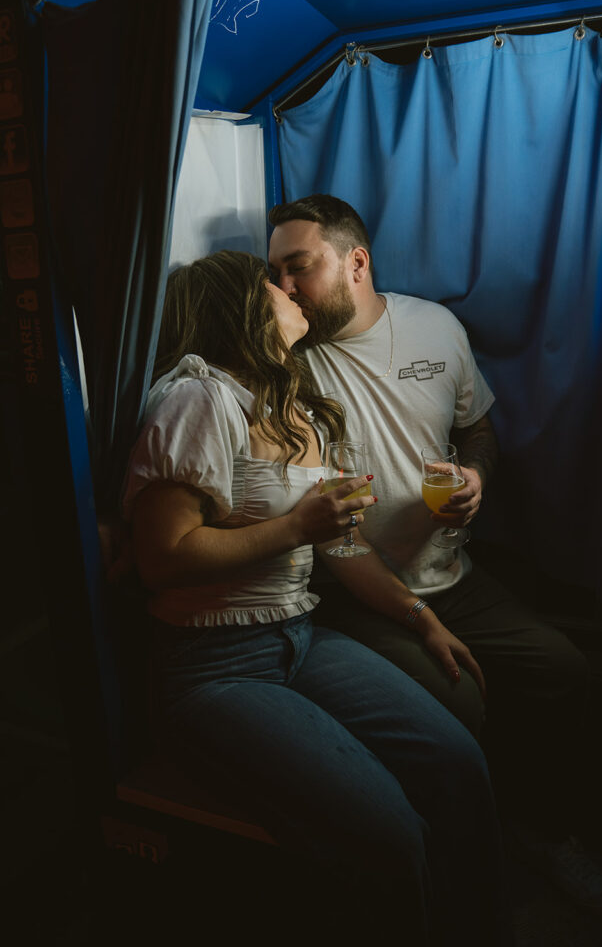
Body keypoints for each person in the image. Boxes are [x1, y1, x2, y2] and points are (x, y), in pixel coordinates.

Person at [121, 250, 512, 947]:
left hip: (298, 639)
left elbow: (340, 546)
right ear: (241, 307)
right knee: (389, 834)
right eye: (271, 283)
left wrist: (420, 617)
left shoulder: (294, 409)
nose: (288, 289)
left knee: (459, 766)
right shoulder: (200, 398)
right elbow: (162, 557)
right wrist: (297, 526)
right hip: (212, 667)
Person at [267, 194, 602, 915]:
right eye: (274, 273)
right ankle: (447, 859)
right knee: (456, 703)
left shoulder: (435, 327)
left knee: (561, 669)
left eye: (298, 267)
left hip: (451, 574)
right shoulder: (287, 358)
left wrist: (475, 478)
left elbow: (478, 430)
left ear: (356, 262)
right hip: (354, 593)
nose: (284, 288)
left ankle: (539, 830)